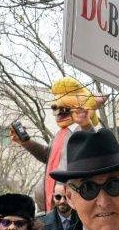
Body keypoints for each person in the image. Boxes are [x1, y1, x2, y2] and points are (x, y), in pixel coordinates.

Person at [10, 76, 101, 211]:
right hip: (52, 208)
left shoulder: (82, 130)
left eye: (64, 110)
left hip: (71, 206)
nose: (58, 113)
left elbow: (92, 146)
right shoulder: (61, 134)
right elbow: (49, 156)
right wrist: (26, 143)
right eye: (55, 109)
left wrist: (85, 124)